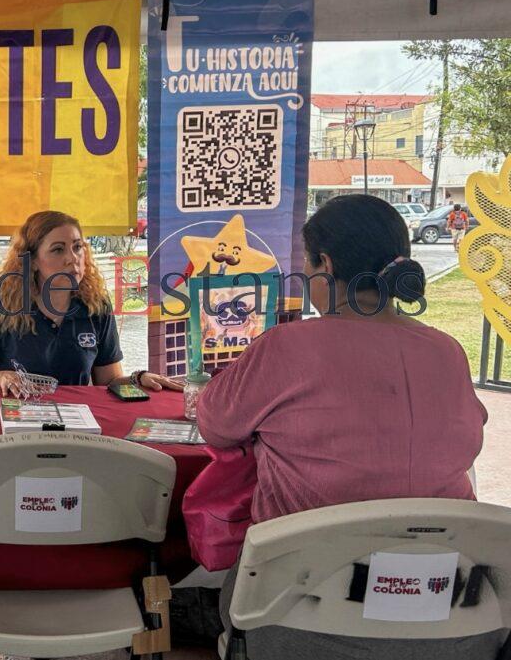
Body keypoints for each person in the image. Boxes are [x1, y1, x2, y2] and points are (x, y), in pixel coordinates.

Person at [197, 194, 490, 659]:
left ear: (326, 264)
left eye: (307, 263)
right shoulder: (448, 351)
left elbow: (215, 425)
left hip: (301, 620)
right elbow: (470, 436)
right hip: (453, 621)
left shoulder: (287, 346)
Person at [0, 210, 179, 395]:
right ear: (32, 261)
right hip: (15, 424)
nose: (72, 258)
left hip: (78, 425)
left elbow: (108, 381)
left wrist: (138, 378)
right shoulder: (1, 307)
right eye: (58, 250)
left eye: (77, 247)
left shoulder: (96, 306)